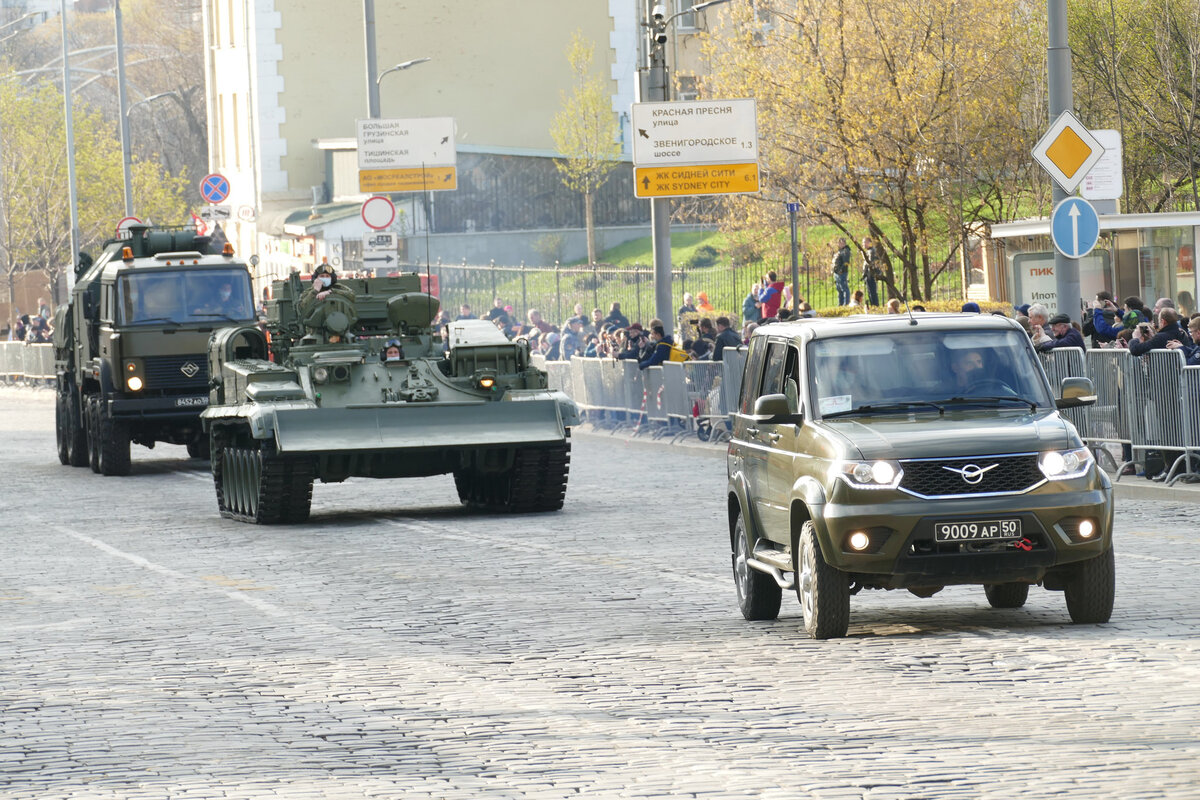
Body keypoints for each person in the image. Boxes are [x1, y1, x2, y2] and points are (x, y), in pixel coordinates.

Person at [861, 236, 882, 307]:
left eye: (865, 242)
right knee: (870, 292)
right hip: (869, 274)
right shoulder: (869, 251)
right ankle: (873, 305)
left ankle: (875, 306)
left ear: (869, 243)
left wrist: (866, 273)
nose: (863, 244)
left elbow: (870, 263)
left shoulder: (872, 251)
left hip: (871, 274)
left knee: (872, 292)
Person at [831, 237, 851, 305]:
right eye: (839, 242)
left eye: (842, 242)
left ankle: (846, 303)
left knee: (844, 288)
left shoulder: (845, 251)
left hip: (842, 272)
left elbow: (846, 262)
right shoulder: (840, 251)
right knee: (839, 289)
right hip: (837, 272)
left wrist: (841, 270)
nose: (840, 244)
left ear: (844, 243)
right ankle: (841, 303)